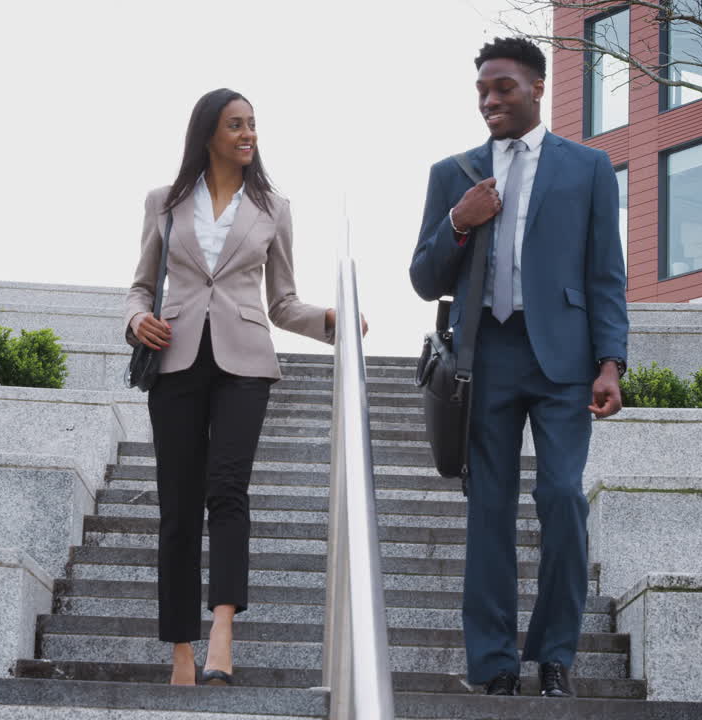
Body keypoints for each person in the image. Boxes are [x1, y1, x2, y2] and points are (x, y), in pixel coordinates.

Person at [409, 37, 629, 698]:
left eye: (502, 87)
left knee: (561, 496)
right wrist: (458, 220)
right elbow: (423, 278)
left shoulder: (589, 168)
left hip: (564, 360)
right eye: (481, 90)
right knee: (489, 514)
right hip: (487, 360)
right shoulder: (454, 172)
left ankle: (556, 653)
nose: (489, 100)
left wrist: (611, 362)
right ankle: (495, 665)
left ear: (537, 86)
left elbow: (606, 275)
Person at [124, 88, 364, 687]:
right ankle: (181, 650)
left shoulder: (273, 208)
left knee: (227, 491)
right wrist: (135, 320)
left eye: (253, 124)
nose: (248, 134)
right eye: (236, 125)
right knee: (177, 506)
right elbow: (138, 286)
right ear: (208, 134)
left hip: (245, 365)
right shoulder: (164, 202)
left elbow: (281, 302)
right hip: (174, 359)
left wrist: (330, 323)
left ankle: (222, 634)